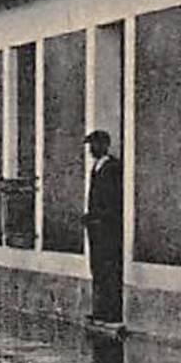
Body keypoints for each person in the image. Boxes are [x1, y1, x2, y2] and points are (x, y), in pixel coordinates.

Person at [83, 130, 124, 324]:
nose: (91, 149)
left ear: (105, 145)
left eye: (95, 145)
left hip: (107, 228)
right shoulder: (96, 167)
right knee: (97, 267)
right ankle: (100, 309)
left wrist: (101, 218)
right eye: (91, 145)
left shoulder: (112, 167)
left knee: (108, 267)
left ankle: (111, 311)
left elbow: (113, 199)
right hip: (96, 227)